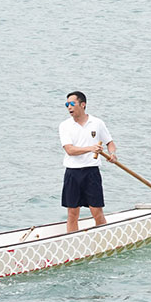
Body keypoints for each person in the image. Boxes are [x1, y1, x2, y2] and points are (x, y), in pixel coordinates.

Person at [59, 91, 117, 233]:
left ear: (83, 104)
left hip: (91, 172)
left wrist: (112, 154)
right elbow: (70, 150)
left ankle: (104, 238)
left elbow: (110, 143)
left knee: (97, 212)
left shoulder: (97, 123)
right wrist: (90, 148)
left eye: (72, 104)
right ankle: (72, 240)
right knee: (72, 213)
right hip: (72, 173)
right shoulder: (65, 125)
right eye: (67, 104)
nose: (69, 107)